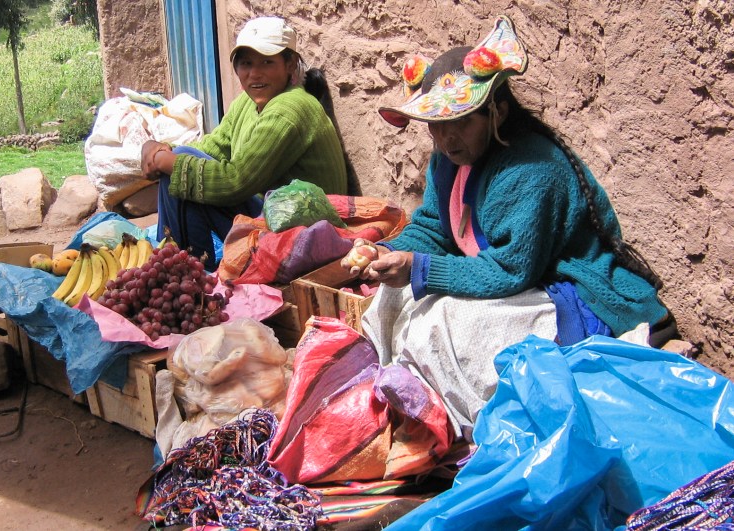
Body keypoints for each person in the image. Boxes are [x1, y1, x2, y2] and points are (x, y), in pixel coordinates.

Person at [346, 15, 671, 441]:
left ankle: (466, 426)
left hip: (569, 291)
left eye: (461, 121)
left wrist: (421, 270)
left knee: (447, 319)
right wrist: (389, 253)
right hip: (513, 279)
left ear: (496, 112)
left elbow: (509, 271)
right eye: (437, 126)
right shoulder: (449, 160)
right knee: (393, 297)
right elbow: (432, 227)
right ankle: (413, 403)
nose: (446, 138)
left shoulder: (531, 170)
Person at [141, 16, 348, 271]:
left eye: (267, 63)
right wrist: (159, 150)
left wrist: (169, 160)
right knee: (180, 163)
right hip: (273, 218)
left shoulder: (290, 109)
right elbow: (210, 148)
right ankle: (188, 270)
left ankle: (184, 271)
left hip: (304, 231)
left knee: (179, 169)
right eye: (246, 63)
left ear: (290, 64)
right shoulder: (248, 103)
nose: (254, 73)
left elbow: (236, 182)